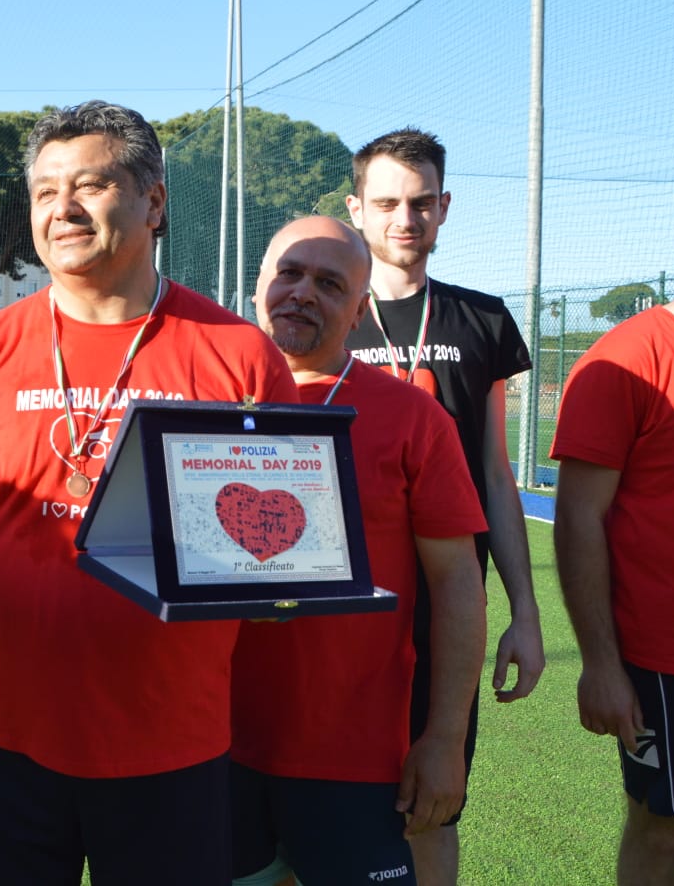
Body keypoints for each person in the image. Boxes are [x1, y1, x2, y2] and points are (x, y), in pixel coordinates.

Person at [0, 100, 298, 884]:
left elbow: (280, 541)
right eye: (44, 191)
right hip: (8, 745)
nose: (62, 208)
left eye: (91, 185)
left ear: (154, 202)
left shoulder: (240, 356)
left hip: (173, 753)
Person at [232, 216, 487, 886]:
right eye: (289, 273)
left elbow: (458, 582)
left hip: (355, 758)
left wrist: (445, 739)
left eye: (329, 283)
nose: (302, 293)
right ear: (258, 285)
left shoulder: (414, 417)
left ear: (359, 309)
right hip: (212, 747)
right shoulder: (201, 402)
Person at [343, 127, 545, 883]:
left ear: (445, 206)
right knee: (309, 805)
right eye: (387, 202)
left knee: (431, 807)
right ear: (356, 209)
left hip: (445, 604)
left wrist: (524, 613)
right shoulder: (323, 313)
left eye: (422, 202)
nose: (406, 218)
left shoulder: (482, 319)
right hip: (338, 604)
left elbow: (495, 475)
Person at [550, 174, 674, 885]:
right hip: (670, 660)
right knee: (666, 831)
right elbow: (579, 517)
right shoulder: (626, 359)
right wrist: (601, 664)